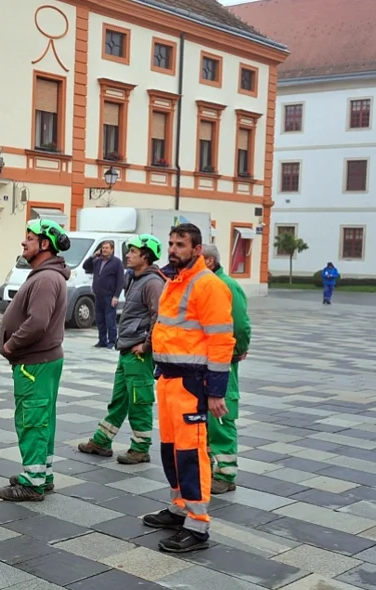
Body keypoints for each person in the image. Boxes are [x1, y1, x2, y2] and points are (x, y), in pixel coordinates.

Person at [143, 223, 234, 553]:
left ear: (197, 250)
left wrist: (216, 390)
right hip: (168, 379)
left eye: (180, 244)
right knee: (171, 449)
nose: (173, 249)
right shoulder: (173, 280)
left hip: (192, 382)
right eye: (171, 243)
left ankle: (197, 527)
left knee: (191, 453)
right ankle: (179, 508)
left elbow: (222, 339)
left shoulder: (206, 285)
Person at [0, 219, 71, 501]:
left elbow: (37, 323)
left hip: (35, 363)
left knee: (32, 419)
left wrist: (10, 346)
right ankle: (41, 473)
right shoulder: (47, 276)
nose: (23, 242)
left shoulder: (45, 278)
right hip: (42, 361)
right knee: (42, 418)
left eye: (29, 238)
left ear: (45, 244)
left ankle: (32, 483)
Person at [78, 234, 166, 465]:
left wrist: (147, 345)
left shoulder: (153, 283)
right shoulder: (134, 278)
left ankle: (140, 448)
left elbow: (159, 317)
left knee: (139, 401)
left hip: (139, 352)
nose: (127, 254)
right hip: (127, 348)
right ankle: (101, 441)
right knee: (119, 399)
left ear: (145, 256)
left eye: (133, 252)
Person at [202, 244, 251, 494]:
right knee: (207, 418)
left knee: (221, 414)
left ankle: (226, 474)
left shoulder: (227, 285)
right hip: (204, 360)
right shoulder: (206, 284)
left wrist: (237, 350)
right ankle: (211, 468)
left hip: (223, 359)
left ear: (209, 261)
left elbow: (240, 324)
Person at [82, 240, 124, 348]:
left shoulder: (117, 263)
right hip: (98, 295)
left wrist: (116, 296)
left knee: (110, 320)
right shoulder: (97, 261)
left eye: (107, 248)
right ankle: (102, 341)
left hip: (110, 296)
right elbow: (85, 266)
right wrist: (93, 256)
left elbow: (120, 281)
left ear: (112, 249)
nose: (104, 250)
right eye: (103, 248)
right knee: (100, 320)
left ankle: (112, 341)